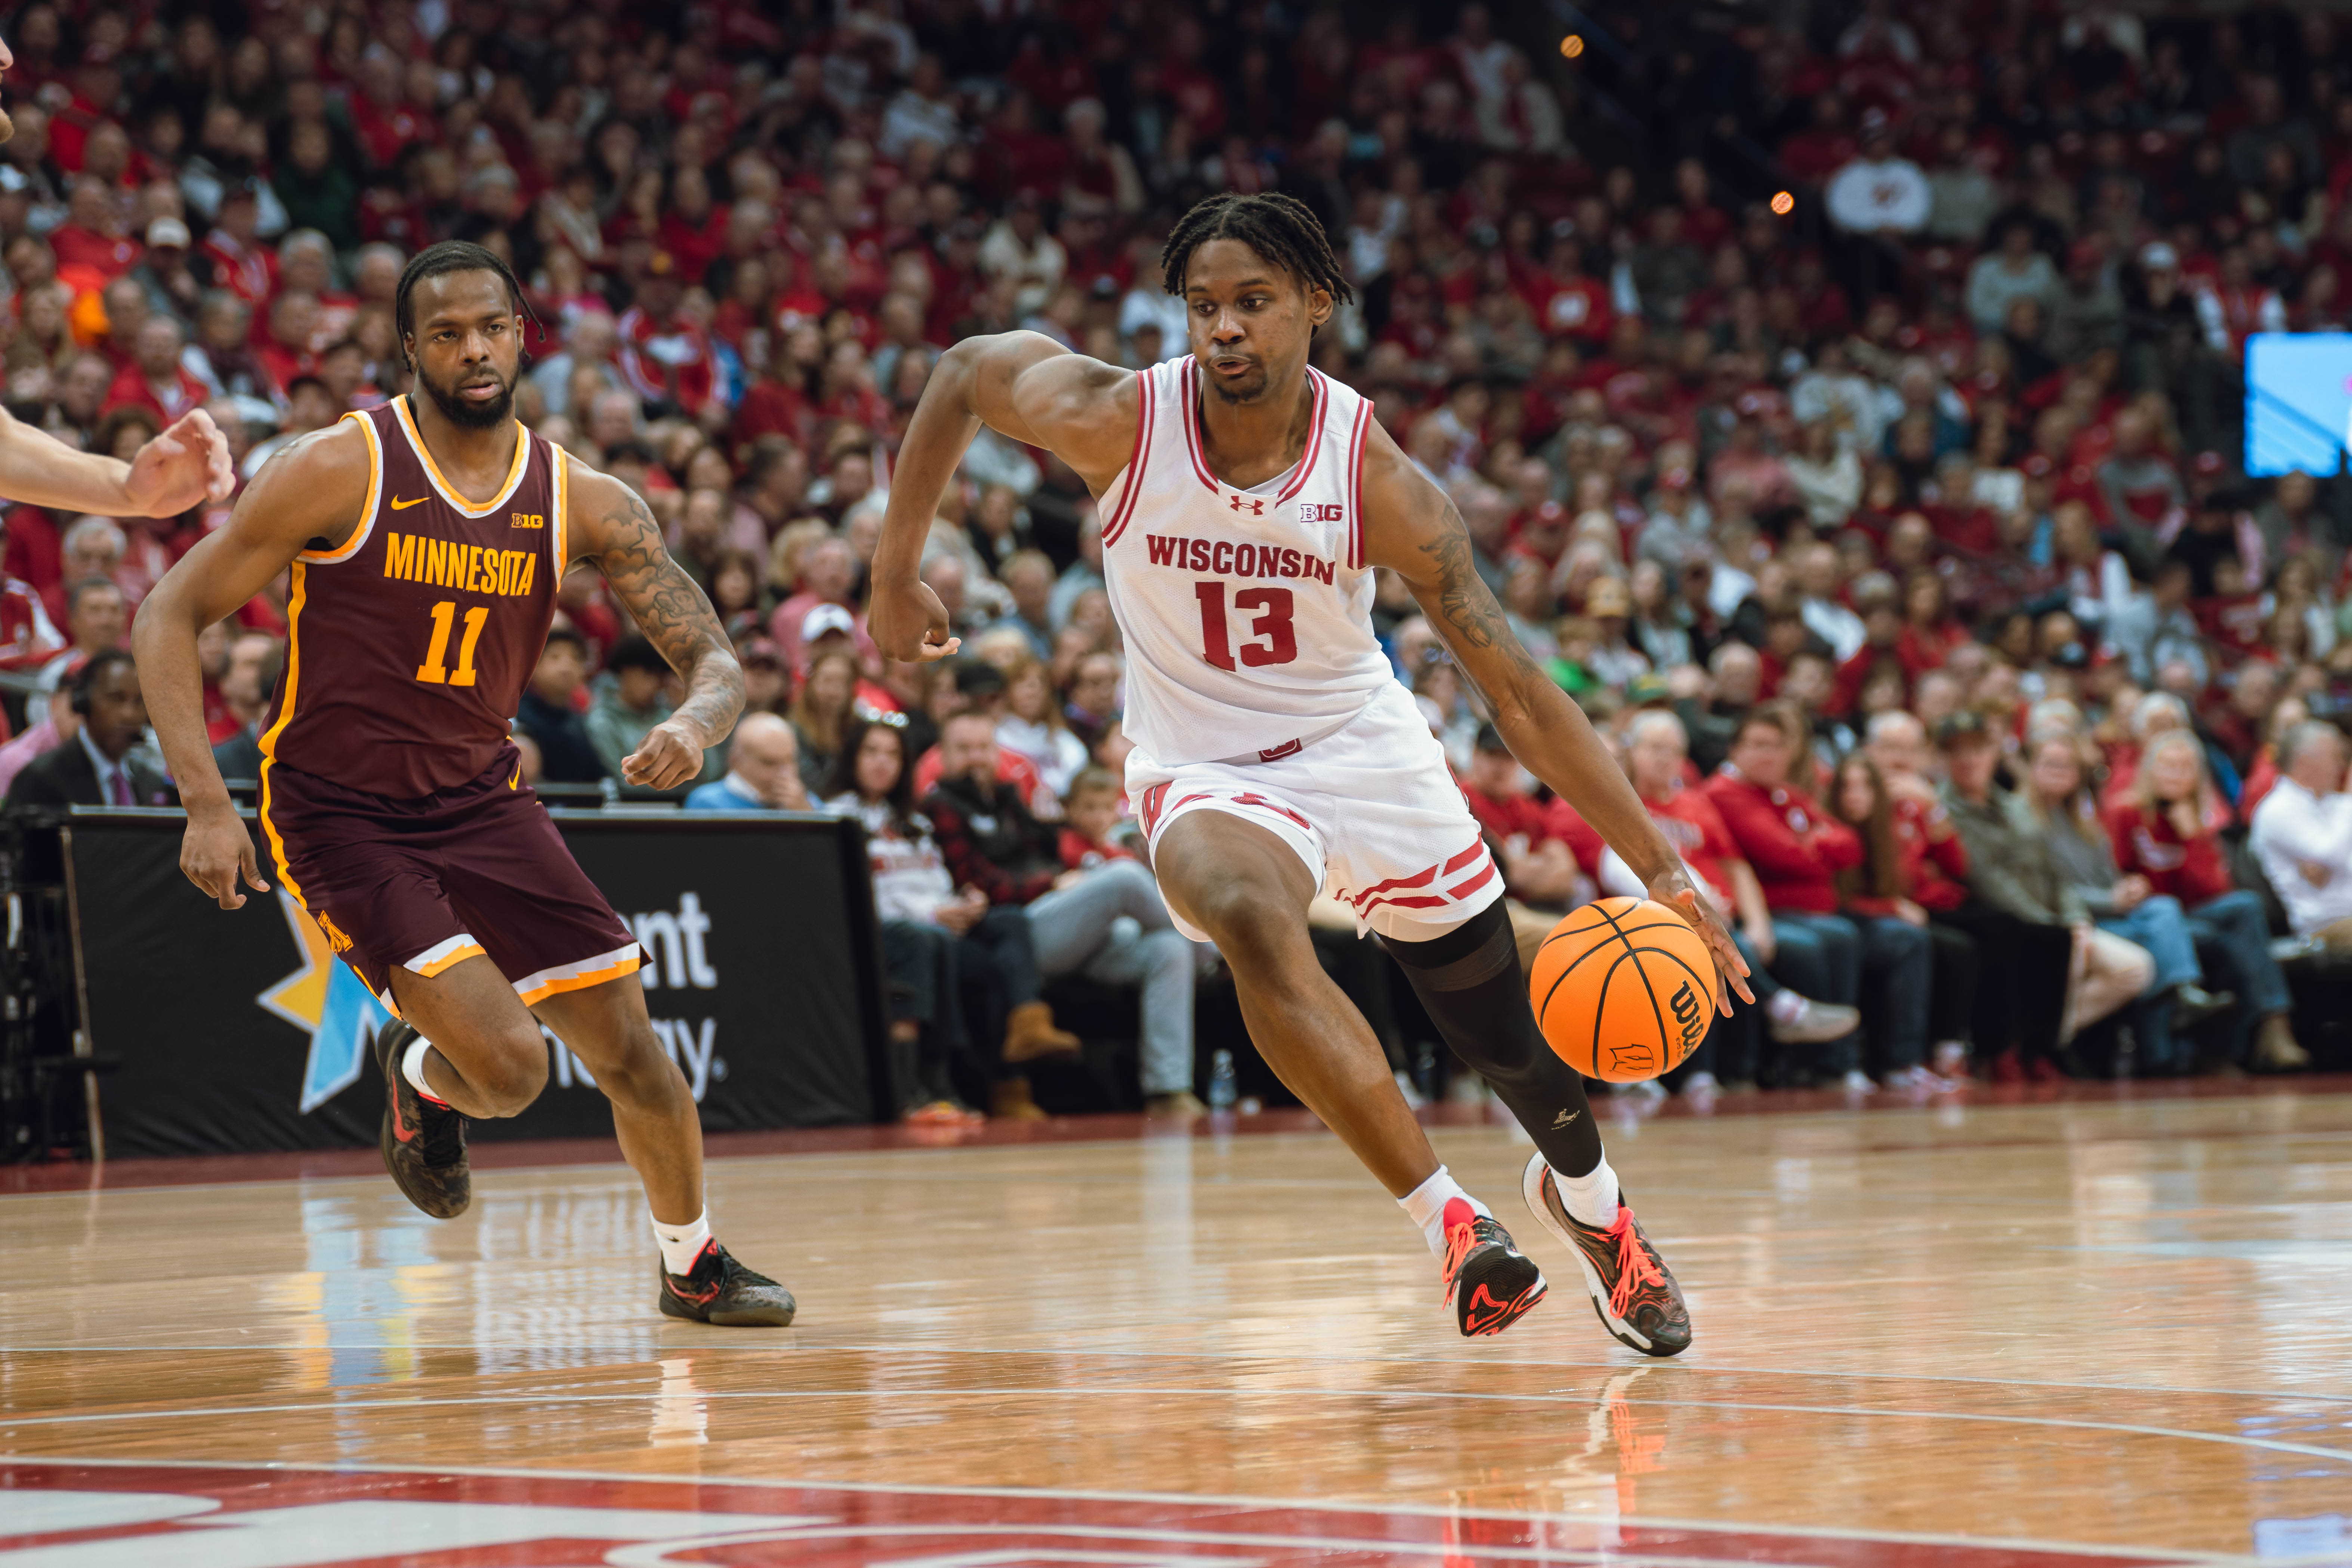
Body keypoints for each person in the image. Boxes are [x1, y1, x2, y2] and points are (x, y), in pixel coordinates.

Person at [870, 190, 1748, 1352]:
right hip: (1202, 759)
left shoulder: (1376, 479)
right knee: (1245, 910)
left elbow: (1524, 696)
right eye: (1203, 306)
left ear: (1316, 307)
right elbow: (965, 370)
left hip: (1360, 742)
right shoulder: (1123, 423)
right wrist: (895, 567)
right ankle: (1454, 1226)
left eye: (1253, 302)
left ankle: (1593, 1211)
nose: (1224, 328)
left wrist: (1660, 867)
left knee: (1501, 1042)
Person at [132, 241, 794, 1326]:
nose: (472, 349)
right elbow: (167, 612)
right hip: (340, 811)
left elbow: (717, 659)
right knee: (514, 1071)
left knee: (634, 1052)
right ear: (409, 352)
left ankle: (694, 1265)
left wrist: (693, 723)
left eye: (490, 326)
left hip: (482, 801)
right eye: (445, 333)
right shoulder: (335, 466)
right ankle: (424, 1077)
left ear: (523, 333)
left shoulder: (585, 498)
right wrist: (208, 803)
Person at [924, 710, 1202, 1117]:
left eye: (984, 748)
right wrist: (1053, 883)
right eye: (963, 749)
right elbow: (980, 883)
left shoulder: (1007, 797)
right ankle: (1217, 944)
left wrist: (1066, 875)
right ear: (942, 755)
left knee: (1166, 948)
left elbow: (1050, 849)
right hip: (1010, 936)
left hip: (1061, 926)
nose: (976, 758)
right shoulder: (940, 805)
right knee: (1123, 876)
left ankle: (1168, 1088)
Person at [827, 714, 1078, 1122]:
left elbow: (935, 877)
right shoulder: (838, 815)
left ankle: (1019, 1047)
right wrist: (934, 913)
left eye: (892, 754)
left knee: (1009, 924)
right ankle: (928, 1085)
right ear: (852, 758)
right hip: (891, 934)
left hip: (939, 923)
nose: (882, 762)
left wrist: (964, 901)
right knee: (934, 943)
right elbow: (858, 893)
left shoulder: (914, 818)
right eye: (871, 752)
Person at [1608, 709, 1858, 1095]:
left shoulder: (1695, 803)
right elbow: (1614, 867)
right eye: (1655, 748)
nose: (1664, 758)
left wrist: (1760, 924)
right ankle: (1760, 1029)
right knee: (1726, 945)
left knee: (1777, 942)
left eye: (1674, 750)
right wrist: (1703, 904)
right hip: (1653, 918)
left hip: (1721, 915)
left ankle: (1751, 1071)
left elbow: (1737, 868)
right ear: (1631, 751)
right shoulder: (1619, 803)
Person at [1705, 704, 1922, 1093]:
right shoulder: (1725, 794)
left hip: (1815, 909)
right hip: (1777, 910)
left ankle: (1866, 1061)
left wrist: (1811, 845)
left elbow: (1850, 844)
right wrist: (1813, 846)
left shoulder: (1785, 793)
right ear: (1734, 749)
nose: (1767, 754)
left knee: (1896, 937)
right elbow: (1780, 852)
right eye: (1756, 745)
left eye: (1775, 746)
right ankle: (1829, 1063)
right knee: (1831, 937)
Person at [1939, 712, 2153, 1079]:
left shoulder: (2013, 807)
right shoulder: (1944, 810)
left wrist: (2074, 919)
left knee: (2135, 967)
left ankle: (2038, 1036)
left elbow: (2056, 875)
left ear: (1994, 753)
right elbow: (1990, 880)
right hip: (2011, 919)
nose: (1969, 760)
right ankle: (2029, 1048)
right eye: (1957, 752)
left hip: (2054, 917)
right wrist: (2050, 925)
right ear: (1942, 759)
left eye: (1977, 749)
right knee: (2046, 945)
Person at [2021, 732, 2234, 1077]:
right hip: (2072, 918)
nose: (2061, 771)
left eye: (2068, 765)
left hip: (2111, 912)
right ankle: (2172, 1016)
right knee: (2163, 925)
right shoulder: (2025, 819)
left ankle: (2167, 1042)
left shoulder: (2083, 823)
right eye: (2050, 764)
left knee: (2165, 917)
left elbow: (2213, 888)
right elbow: (2050, 888)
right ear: (2030, 768)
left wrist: (2126, 888)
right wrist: (2111, 898)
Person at [2105, 729, 2308, 1072]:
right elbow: (2113, 875)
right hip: (2151, 918)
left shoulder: (2199, 820)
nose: (2175, 775)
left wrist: (2194, 839)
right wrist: (2128, 886)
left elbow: (2215, 891)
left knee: (2246, 906)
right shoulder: (2126, 813)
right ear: (2150, 771)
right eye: (2168, 767)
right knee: (2226, 941)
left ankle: (2274, 1023)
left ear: (2197, 777)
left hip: (2191, 913)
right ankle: (2199, 1012)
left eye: (2185, 768)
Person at [1825, 752, 1968, 1089]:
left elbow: (1957, 868)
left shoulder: (1885, 832)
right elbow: (1835, 899)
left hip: (1865, 919)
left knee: (1946, 945)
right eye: (1847, 788)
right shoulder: (1828, 829)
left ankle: (1922, 1056)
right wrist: (1891, 908)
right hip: (1839, 919)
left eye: (1864, 787)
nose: (1855, 796)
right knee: (1908, 939)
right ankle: (1895, 1061)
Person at [3, 649, 172, 810]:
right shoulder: (41, 779)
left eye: (139, 701)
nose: (129, 714)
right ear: (83, 703)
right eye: (116, 699)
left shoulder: (150, 782)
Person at [2250, 722, 2352, 951]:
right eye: (2335, 757)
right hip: (2325, 925)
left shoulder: (2329, 803)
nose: (2341, 766)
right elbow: (2331, 854)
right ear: (2306, 761)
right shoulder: (2278, 810)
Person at [683, 712, 809, 811]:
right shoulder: (706, 803)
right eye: (769, 763)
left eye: (790, 761)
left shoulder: (804, 801)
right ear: (735, 761)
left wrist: (806, 815)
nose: (784, 774)